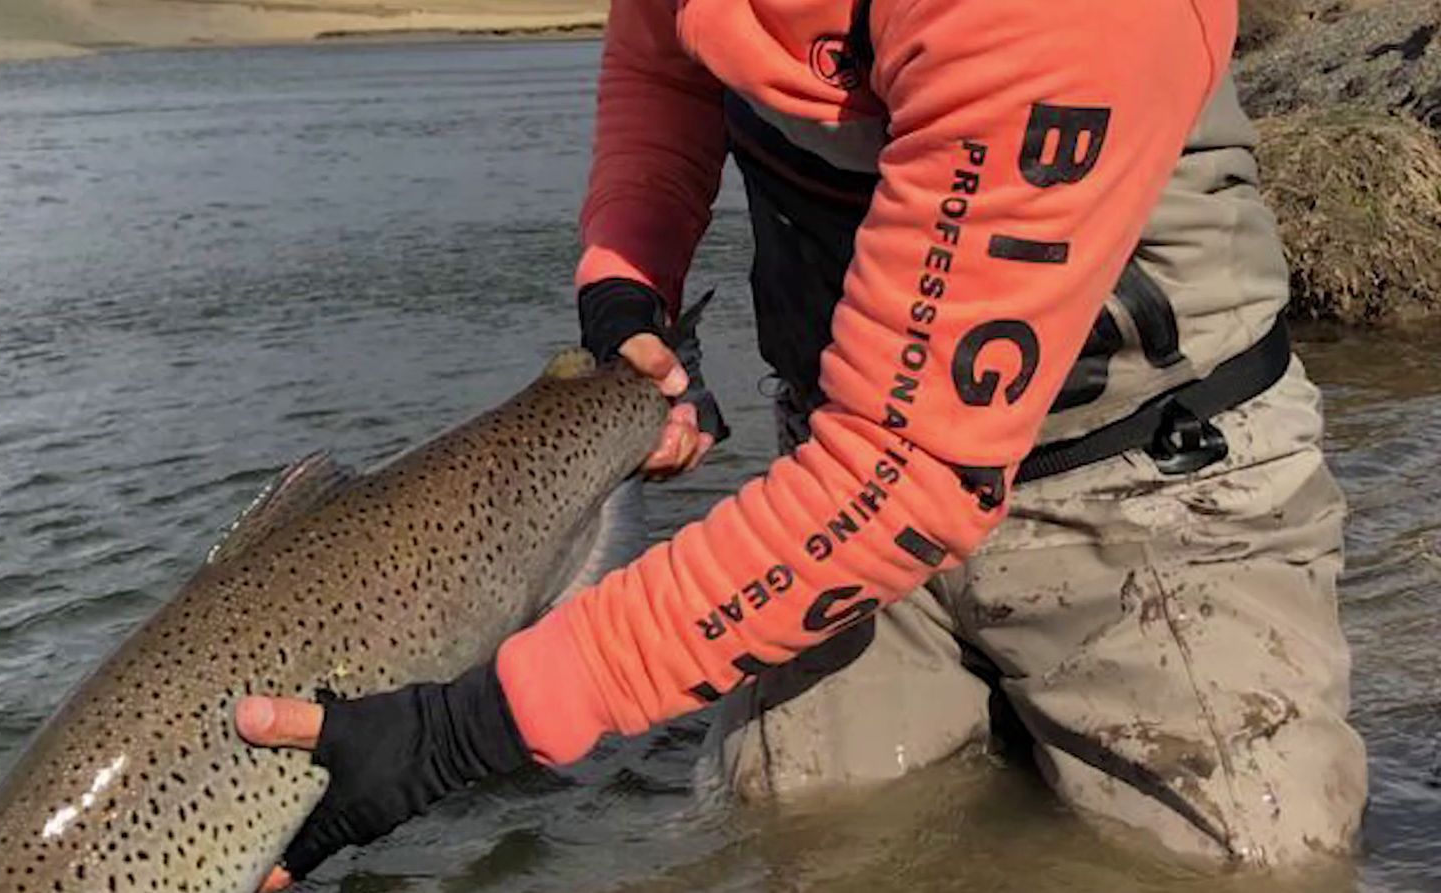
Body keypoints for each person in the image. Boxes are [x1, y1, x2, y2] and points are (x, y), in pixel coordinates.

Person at [235, 0, 1369, 887]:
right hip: (837, 460)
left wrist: (465, 727)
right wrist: (627, 284)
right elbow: (664, 51)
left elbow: (909, 478)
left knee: (1251, 868)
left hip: (1139, 486)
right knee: (796, 841)